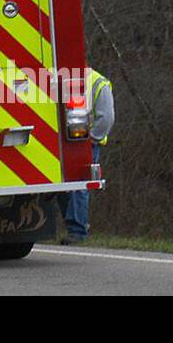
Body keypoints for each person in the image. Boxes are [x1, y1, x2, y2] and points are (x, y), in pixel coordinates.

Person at [59, 66, 113, 244]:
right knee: (67, 184)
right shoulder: (67, 79)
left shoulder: (97, 82)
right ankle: (75, 227)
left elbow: (106, 118)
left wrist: (92, 139)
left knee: (78, 184)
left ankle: (78, 230)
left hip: (85, 143)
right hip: (71, 142)